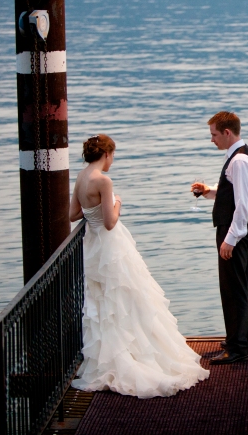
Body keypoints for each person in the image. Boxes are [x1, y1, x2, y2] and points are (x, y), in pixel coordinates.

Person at [69, 134, 209, 398]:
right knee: (128, 297)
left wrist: (92, 212)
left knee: (104, 302)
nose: (112, 161)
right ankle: (135, 352)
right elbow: (110, 222)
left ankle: (107, 357)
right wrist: (117, 202)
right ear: (107, 154)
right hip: (111, 246)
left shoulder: (81, 176)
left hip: (92, 246)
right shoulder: (103, 180)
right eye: (113, 156)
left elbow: (73, 214)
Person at [191, 112, 248, 365]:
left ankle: (238, 347)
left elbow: (243, 204)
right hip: (235, 229)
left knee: (233, 289)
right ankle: (238, 337)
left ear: (227, 132)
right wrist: (208, 191)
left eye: (214, 134)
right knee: (236, 286)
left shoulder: (240, 161)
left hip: (235, 231)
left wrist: (230, 239)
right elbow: (235, 193)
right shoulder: (237, 158)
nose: (212, 140)